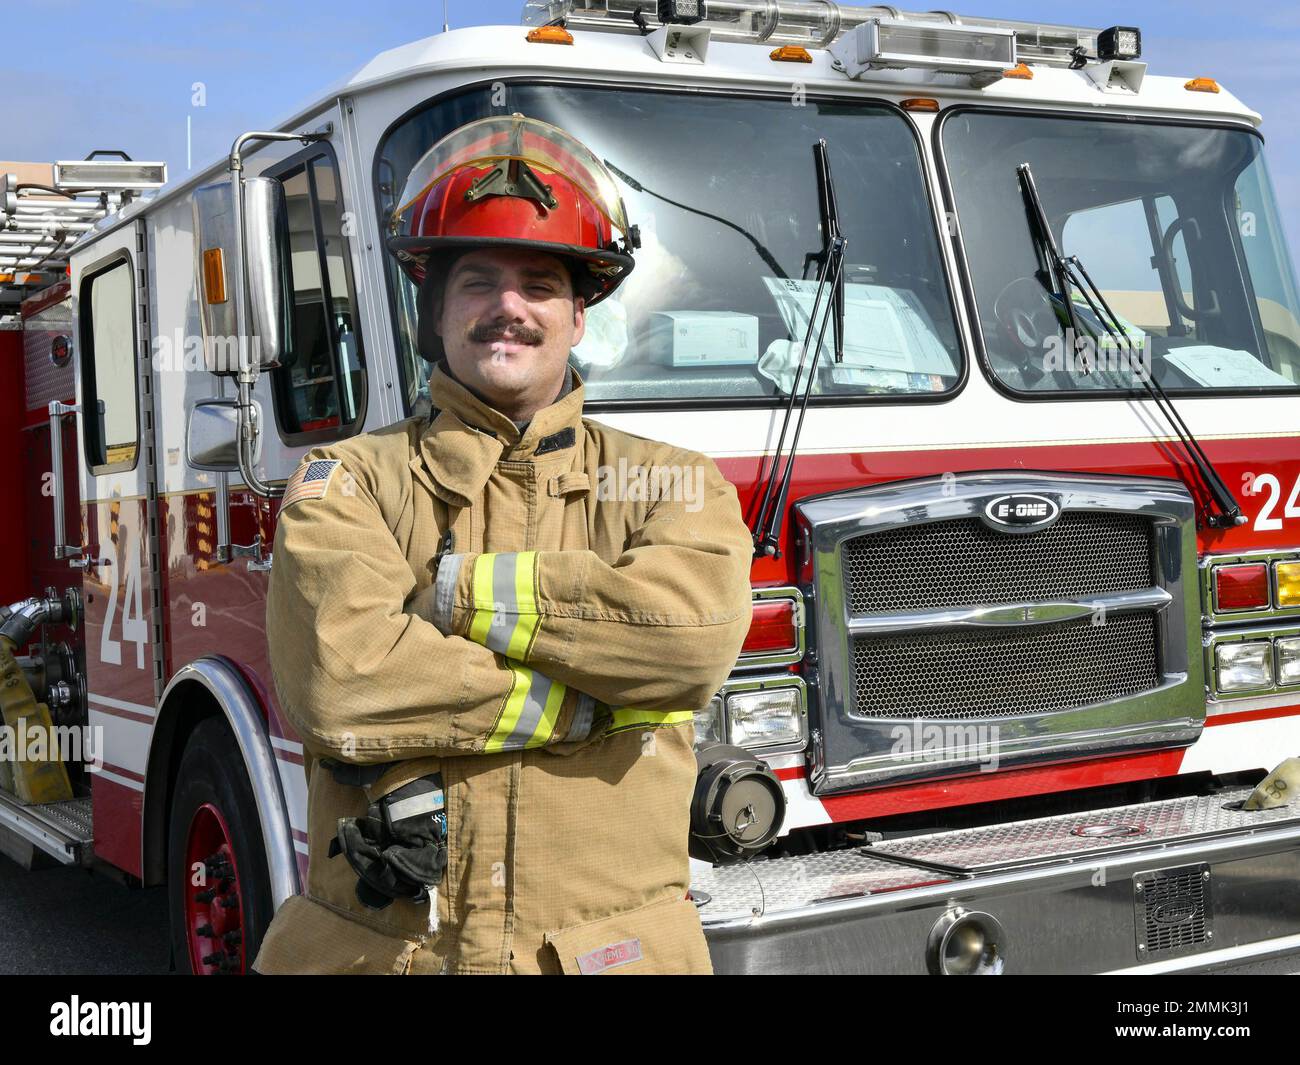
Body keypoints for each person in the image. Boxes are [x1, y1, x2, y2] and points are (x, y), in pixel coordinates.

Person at [250, 114, 754, 975]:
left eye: (538, 284)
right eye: (478, 280)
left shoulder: (673, 481)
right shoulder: (352, 480)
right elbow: (341, 681)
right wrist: (592, 702)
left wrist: (453, 594)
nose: (508, 308)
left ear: (577, 317)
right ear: (436, 311)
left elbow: (688, 641)